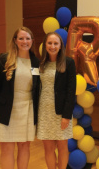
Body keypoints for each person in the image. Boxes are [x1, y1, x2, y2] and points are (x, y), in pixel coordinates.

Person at [0, 27, 40, 169]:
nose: (25, 41)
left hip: (27, 109)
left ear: (32, 41)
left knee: (24, 146)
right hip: (6, 110)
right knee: (7, 148)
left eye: (28, 38)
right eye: (21, 38)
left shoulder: (36, 62)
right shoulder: (4, 59)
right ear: (15, 41)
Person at [37, 32, 76, 169]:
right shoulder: (40, 64)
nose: (52, 46)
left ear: (60, 46)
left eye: (55, 43)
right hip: (44, 112)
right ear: (45, 45)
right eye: (49, 43)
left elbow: (71, 91)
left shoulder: (68, 63)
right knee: (48, 148)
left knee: (62, 146)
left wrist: (66, 115)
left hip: (61, 112)